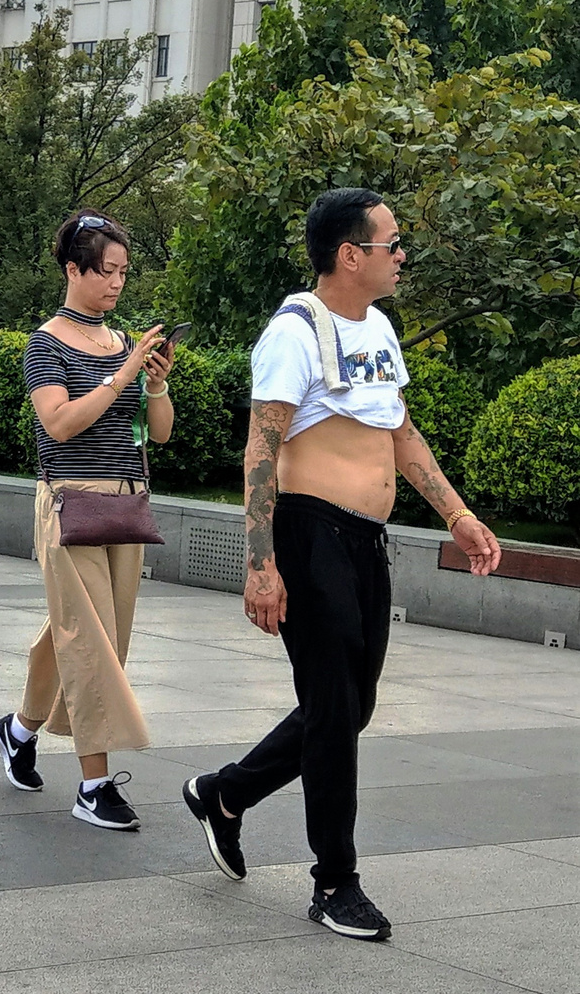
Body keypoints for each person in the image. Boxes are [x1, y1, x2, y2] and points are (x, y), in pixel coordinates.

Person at [180, 188, 501, 941]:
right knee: (333, 711)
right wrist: (259, 563)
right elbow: (263, 447)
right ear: (350, 255)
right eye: (392, 243)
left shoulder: (379, 327)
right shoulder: (295, 330)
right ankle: (335, 882)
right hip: (308, 532)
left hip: (364, 541)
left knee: (348, 709)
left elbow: (402, 433)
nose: (401, 255)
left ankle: (225, 793)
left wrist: (458, 514)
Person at [0, 209, 174, 832]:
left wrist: (153, 385)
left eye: (123, 271)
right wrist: (122, 375)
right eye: (106, 271)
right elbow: (59, 424)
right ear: (74, 269)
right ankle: (94, 784)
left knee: (90, 633)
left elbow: (161, 434)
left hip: (125, 500)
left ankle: (17, 730)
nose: (117, 283)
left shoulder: (122, 342)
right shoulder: (45, 343)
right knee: (88, 639)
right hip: (69, 501)